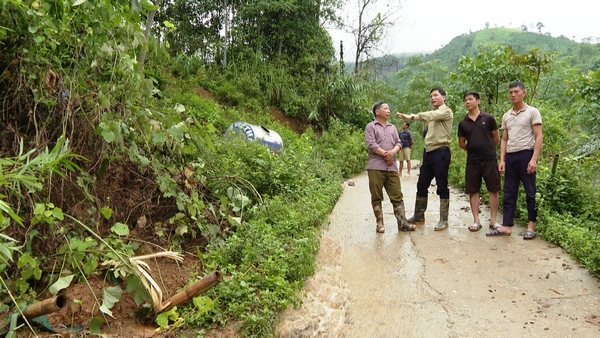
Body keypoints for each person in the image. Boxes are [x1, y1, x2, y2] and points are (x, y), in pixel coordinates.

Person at [486, 81, 543, 239]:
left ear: (523, 93)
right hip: (510, 156)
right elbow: (504, 139)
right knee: (509, 192)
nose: (513, 94)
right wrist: (502, 160)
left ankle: (531, 226)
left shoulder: (532, 112)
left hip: (526, 154)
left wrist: (534, 159)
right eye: (510, 92)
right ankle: (506, 226)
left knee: (530, 192)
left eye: (516, 91)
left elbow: (539, 136)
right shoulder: (507, 116)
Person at [397, 87, 453, 231]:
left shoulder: (445, 111)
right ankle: (419, 215)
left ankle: (443, 219)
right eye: (431, 96)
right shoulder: (433, 115)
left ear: (444, 97)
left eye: (435, 95)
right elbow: (430, 118)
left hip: (441, 151)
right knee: (422, 184)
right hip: (428, 152)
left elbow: (429, 116)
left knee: (442, 185)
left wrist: (411, 117)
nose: (432, 98)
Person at [365, 101, 416, 233]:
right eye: (385, 108)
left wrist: (392, 152)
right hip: (376, 166)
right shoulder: (371, 127)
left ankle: (402, 223)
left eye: (389, 108)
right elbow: (371, 144)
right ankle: (379, 224)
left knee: (397, 195)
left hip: (391, 166)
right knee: (376, 196)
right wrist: (385, 154)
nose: (388, 111)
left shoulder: (392, 127)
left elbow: (398, 142)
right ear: (377, 112)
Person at [457, 91, 501, 232]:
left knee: (493, 189)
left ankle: (493, 220)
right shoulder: (463, 123)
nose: (468, 102)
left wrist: (487, 148)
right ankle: (476, 220)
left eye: (470, 99)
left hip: (489, 159)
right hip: (472, 161)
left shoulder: (488, 118)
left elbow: (496, 138)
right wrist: (473, 149)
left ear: (478, 101)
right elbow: (461, 142)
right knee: (473, 190)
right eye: (466, 100)